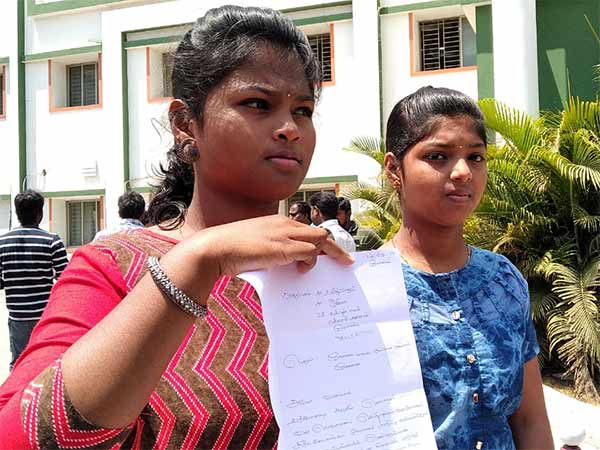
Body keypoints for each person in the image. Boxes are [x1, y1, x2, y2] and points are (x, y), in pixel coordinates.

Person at [0, 6, 353, 449]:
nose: (289, 129)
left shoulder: (329, 272)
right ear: (186, 124)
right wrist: (199, 262)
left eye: (303, 110)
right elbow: (17, 436)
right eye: (257, 104)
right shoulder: (115, 268)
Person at [382, 86, 553, 449]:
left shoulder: (504, 280)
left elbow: (529, 419)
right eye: (438, 156)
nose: (462, 172)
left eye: (475, 157)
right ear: (394, 169)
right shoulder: (366, 289)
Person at [0, 189, 68, 370]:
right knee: (47, 363)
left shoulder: (2, 243)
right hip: (45, 316)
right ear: (39, 213)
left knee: (19, 363)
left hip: (18, 316)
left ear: (17, 213)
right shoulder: (52, 241)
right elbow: (65, 279)